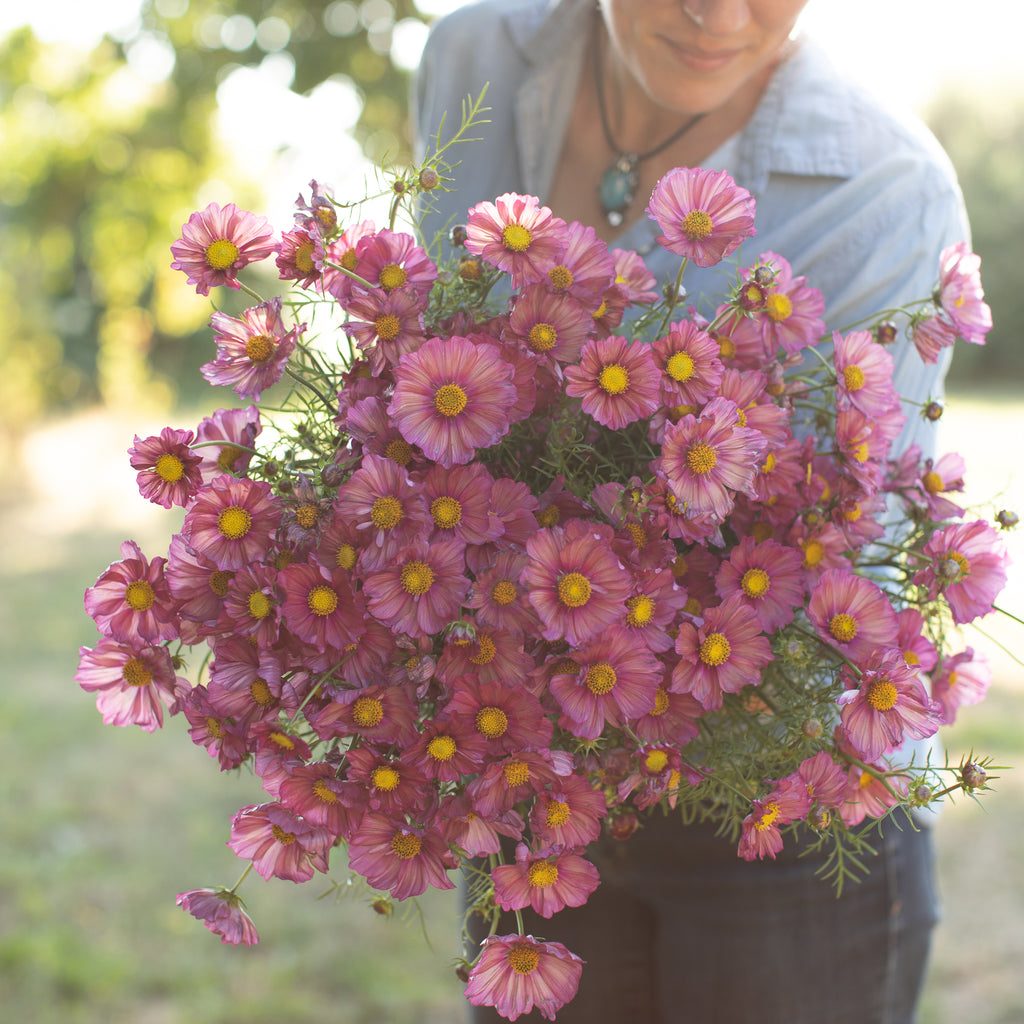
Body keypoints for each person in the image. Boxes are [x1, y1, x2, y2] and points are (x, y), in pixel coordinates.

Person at [412, 2, 968, 1020]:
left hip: (782, 798)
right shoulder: (472, 58)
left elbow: (847, 574)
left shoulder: (885, 186)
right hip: (534, 777)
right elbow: (428, 374)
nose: (719, 12)